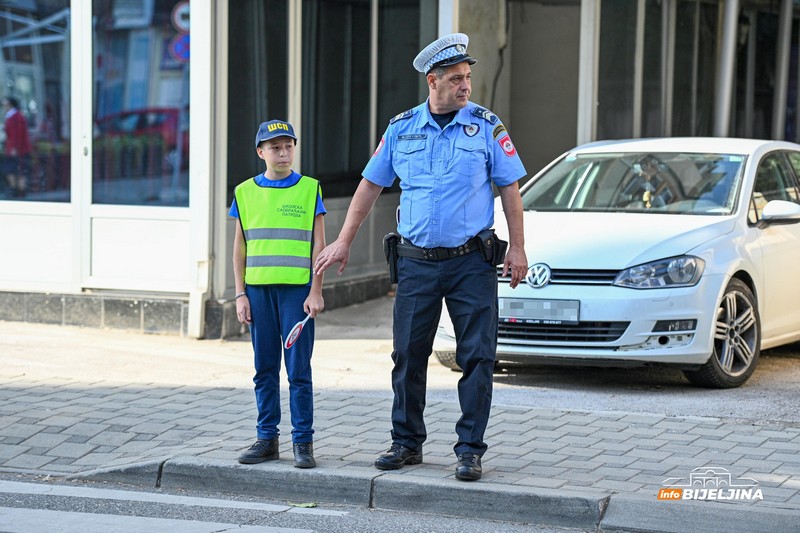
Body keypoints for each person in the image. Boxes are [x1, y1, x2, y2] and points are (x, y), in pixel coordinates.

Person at [313, 33, 528, 481]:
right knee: (408, 356)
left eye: (467, 77)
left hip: (472, 261)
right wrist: (344, 240)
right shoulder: (401, 127)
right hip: (416, 263)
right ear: (433, 82)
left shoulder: (487, 126)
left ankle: (470, 450)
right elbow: (370, 186)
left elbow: (510, 187)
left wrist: (519, 246)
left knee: (478, 357)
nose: (465, 86)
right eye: (455, 79)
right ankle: (406, 443)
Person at [230, 119, 326, 469]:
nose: (283, 152)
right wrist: (240, 294)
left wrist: (316, 290)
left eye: (288, 146)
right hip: (258, 293)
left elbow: (320, 244)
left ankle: (303, 442)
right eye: (275, 147)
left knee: (298, 370)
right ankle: (266, 439)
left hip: (297, 293)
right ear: (261, 152)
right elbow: (239, 247)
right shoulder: (244, 192)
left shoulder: (310, 188)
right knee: (264, 369)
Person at [2, 97, 32, 198]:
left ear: (11, 105)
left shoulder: (16, 116)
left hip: (18, 149)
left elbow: (17, 133)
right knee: (14, 170)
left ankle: (19, 190)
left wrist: (15, 148)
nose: (4, 107)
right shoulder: (11, 116)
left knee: (17, 170)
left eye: (6, 105)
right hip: (12, 148)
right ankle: (17, 190)